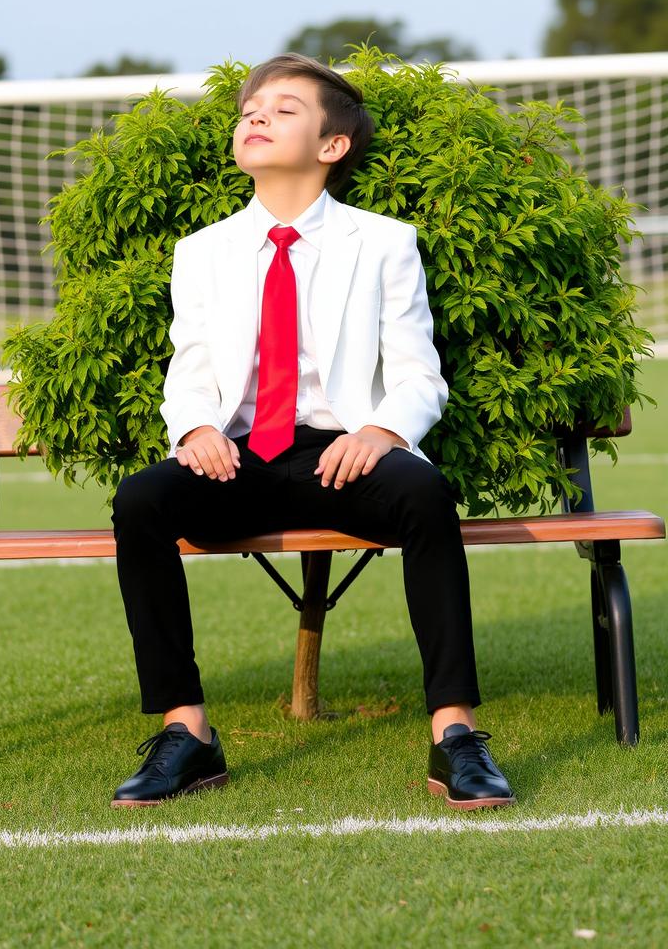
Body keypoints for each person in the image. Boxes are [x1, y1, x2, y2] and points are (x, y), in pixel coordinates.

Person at [111, 53, 514, 810]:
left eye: (283, 108)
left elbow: (419, 374)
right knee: (140, 502)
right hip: (239, 462)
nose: (255, 116)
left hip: (342, 458)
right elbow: (189, 370)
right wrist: (195, 427)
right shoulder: (201, 253)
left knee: (424, 491)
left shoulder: (384, 243)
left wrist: (381, 432)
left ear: (332, 146)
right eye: (249, 110)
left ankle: (455, 733)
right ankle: (186, 732)